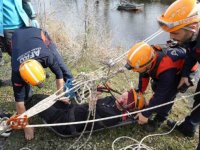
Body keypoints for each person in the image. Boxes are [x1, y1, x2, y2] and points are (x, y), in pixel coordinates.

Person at [11, 27, 73, 140]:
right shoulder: (16, 73)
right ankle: (28, 99)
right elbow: (19, 104)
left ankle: (68, 92)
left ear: (42, 67)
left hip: (37, 33)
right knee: (22, 97)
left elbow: (59, 75)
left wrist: (61, 95)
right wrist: (27, 127)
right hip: (16, 37)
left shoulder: (47, 56)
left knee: (60, 64)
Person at [157, 0, 200, 148]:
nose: (171, 36)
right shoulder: (192, 36)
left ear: (193, 27)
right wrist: (185, 75)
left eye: (175, 32)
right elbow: (191, 55)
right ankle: (189, 127)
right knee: (199, 97)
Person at [30, 87, 145, 137]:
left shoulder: (113, 117)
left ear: (129, 107)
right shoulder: (112, 99)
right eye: (126, 95)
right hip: (70, 109)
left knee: (34, 101)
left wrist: (93, 97)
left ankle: (22, 120)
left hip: (65, 123)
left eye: (127, 100)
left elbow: (92, 111)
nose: (123, 98)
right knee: (38, 97)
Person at [125, 41, 187, 132]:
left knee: (167, 97)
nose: (137, 72)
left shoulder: (167, 71)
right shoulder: (146, 57)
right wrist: (140, 92)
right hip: (164, 73)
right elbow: (144, 74)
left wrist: (145, 114)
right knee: (155, 86)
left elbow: (160, 95)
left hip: (178, 75)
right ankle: (154, 107)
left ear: (148, 64)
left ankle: (160, 118)